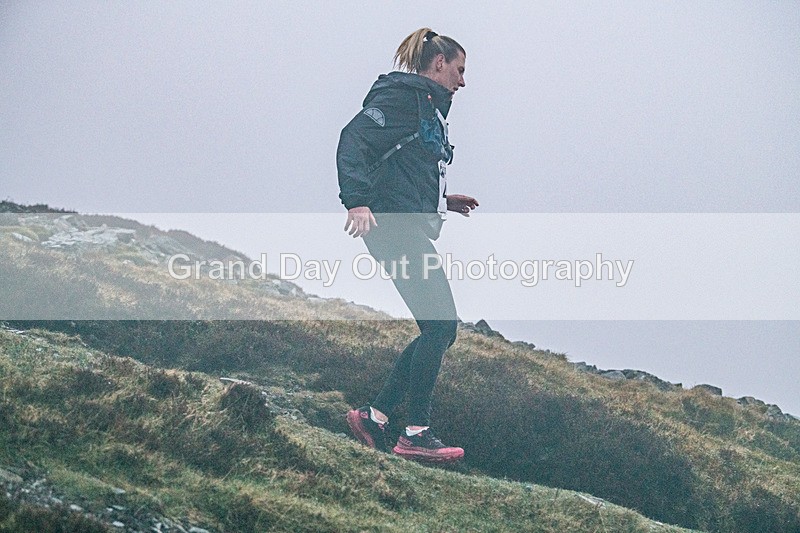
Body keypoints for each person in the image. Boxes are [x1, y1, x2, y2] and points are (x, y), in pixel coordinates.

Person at [337, 28, 479, 463]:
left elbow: (404, 167)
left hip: (405, 226)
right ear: (439, 64)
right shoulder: (403, 98)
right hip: (390, 228)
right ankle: (414, 433)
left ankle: (376, 417)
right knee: (440, 326)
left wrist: (442, 202)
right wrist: (357, 201)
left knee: (437, 328)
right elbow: (353, 139)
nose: (462, 81)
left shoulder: (427, 106)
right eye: (459, 70)